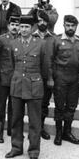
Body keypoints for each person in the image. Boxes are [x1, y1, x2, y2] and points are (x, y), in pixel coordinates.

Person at [5, 15, 51, 159]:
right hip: (17, 85)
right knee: (16, 119)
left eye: (26, 27)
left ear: (33, 28)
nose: (23, 30)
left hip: (34, 86)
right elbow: (12, 65)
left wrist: (41, 81)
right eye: (21, 27)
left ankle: (34, 150)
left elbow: (45, 66)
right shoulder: (13, 43)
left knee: (35, 121)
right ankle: (16, 147)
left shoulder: (41, 44)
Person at [51, 15, 79, 146]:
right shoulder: (57, 40)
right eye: (68, 25)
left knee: (71, 106)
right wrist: (52, 77)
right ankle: (58, 133)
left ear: (76, 26)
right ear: (64, 26)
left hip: (74, 78)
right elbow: (51, 59)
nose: (70, 28)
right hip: (60, 77)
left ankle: (67, 132)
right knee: (60, 106)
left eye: (73, 26)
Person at [0, 14, 21, 144]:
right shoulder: (1, 40)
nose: (15, 27)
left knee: (14, 106)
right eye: (13, 25)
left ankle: (11, 130)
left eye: (17, 25)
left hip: (17, 79)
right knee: (1, 106)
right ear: (8, 26)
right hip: (4, 77)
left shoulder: (22, 40)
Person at [32, 10, 56, 140]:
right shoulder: (31, 36)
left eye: (44, 21)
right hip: (33, 77)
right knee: (34, 104)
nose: (42, 23)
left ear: (48, 22)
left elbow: (54, 59)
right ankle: (34, 128)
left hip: (47, 77)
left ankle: (41, 127)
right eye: (39, 21)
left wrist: (51, 77)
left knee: (44, 104)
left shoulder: (53, 38)